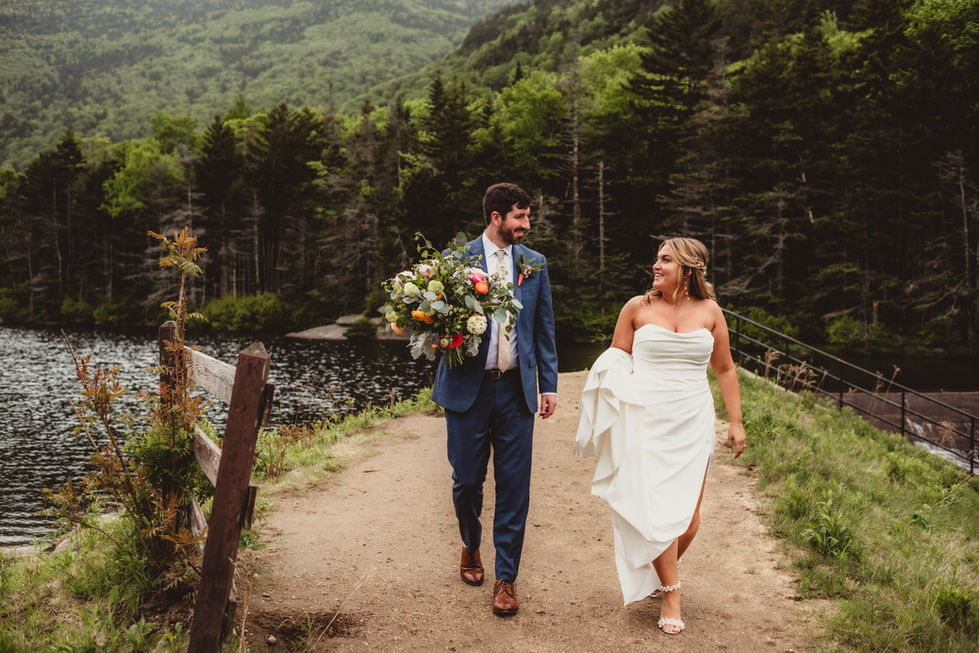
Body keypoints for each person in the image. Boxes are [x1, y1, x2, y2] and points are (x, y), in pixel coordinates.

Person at [575, 237, 745, 635]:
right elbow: (618, 357)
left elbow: (724, 368)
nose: (656, 265)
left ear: (687, 269)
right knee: (657, 511)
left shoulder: (711, 311)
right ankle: (671, 590)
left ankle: (658, 566)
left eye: (665, 259)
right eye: (656, 258)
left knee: (687, 520)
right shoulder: (637, 307)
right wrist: (609, 402)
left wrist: (735, 422)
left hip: (692, 417)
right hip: (645, 418)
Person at [431, 182, 559, 616]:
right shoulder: (455, 261)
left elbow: (543, 329)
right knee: (467, 480)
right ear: (496, 218)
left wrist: (550, 384)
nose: (527, 224)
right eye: (520, 217)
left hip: (516, 392)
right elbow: (434, 327)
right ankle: (470, 544)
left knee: (514, 487)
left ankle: (506, 578)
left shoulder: (535, 264)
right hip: (467, 389)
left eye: (527, 216)